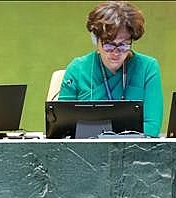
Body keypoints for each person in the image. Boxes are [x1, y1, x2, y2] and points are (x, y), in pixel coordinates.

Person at [58, 1, 163, 137]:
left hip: (135, 152)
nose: (115, 52)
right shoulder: (77, 68)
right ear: (96, 40)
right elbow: (62, 127)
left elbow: (152, 127)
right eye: (108, 45)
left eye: (124, 45)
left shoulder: (148, 67)